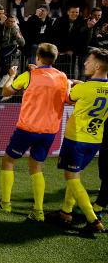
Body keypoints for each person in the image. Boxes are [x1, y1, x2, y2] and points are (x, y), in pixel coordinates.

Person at [0, 43, 69, 222]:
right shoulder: (63, 77)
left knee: (8, 161)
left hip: (27, 129)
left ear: (37, 58)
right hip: (49, 132)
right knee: (36, 168)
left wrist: (11, 76)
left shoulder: (29, 75)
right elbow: (67, 98)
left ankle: (6, 203)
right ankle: (38, 211)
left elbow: (6, 91)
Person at [48, 48, 108, 233]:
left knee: (71, 177)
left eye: (88, 61)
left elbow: (68, 97)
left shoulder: (83, 89)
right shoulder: (95, 87)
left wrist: (67, 83)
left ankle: (92, 220)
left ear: (97, 66)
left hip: (76, 139)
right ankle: (66, 212)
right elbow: (93, 93)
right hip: (95, 140)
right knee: (75, 175)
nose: (84, 63)